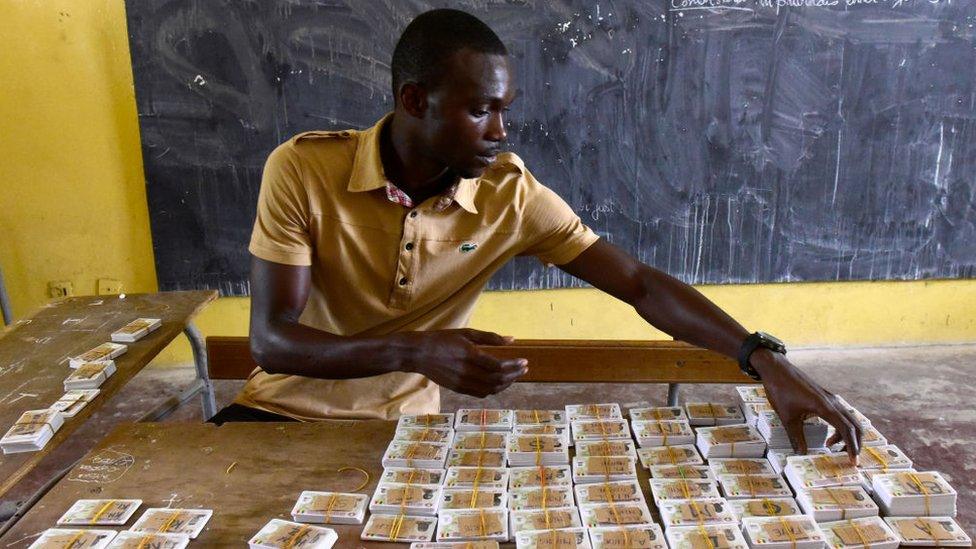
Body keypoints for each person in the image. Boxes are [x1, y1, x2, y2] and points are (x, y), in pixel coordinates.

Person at [210, 8, 861, 461]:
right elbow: (273, 340)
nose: (499, 131)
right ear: (414, 101)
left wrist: (763, 357)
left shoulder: (508, 195)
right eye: (478, 110)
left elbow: (637, 282)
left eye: (504, 109)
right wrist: (412, 351)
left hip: (393, 433)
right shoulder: (303, 168)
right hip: (275, 415)